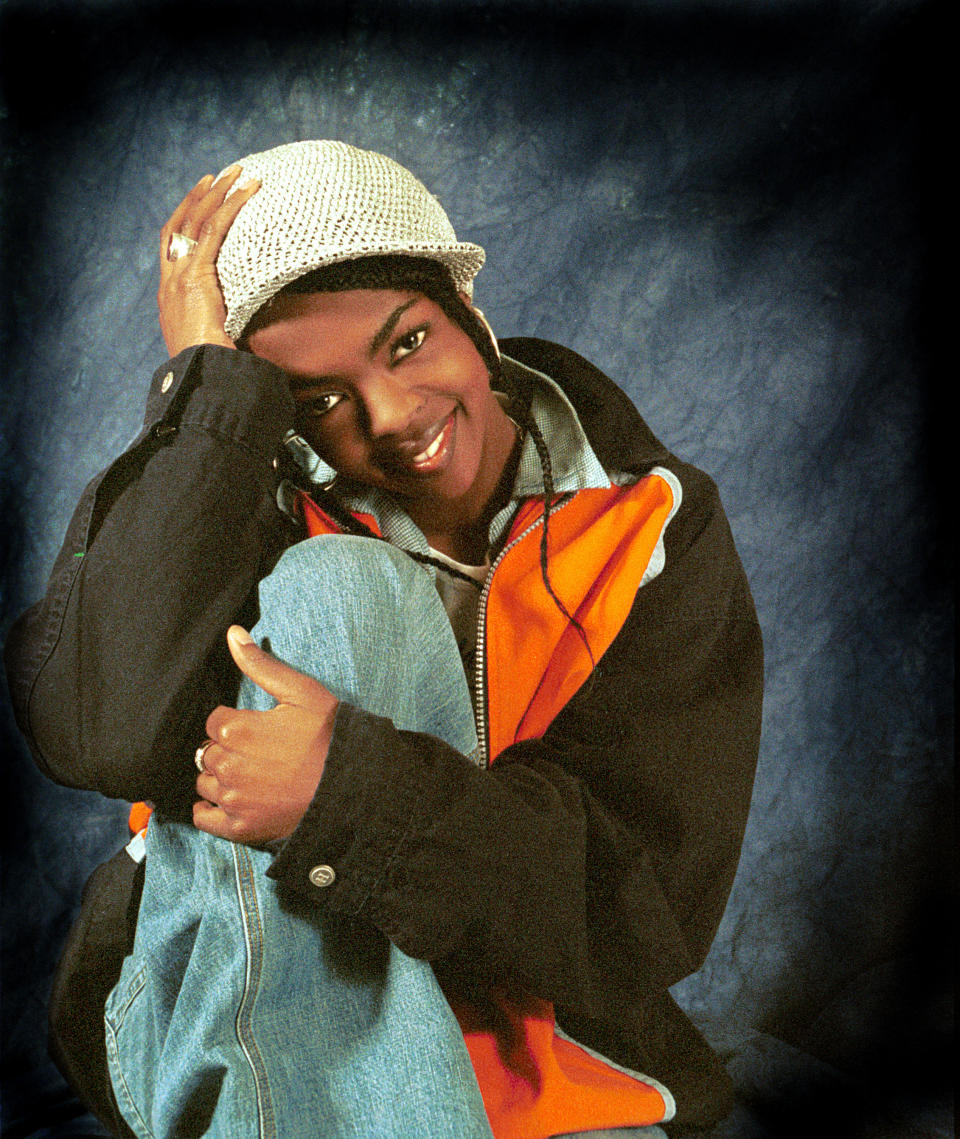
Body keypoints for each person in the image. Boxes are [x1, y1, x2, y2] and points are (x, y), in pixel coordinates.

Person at [5, 140, 763, 1138]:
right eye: (315, 398)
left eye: (408, 342)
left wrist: (342, 793)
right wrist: (204, 400)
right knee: (337, 586)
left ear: (471, 317)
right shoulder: (259, 498)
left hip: (524, 1024)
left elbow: (645, 907)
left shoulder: (651, 524)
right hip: (212, 1005)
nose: (392, 416)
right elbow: (100, 732)